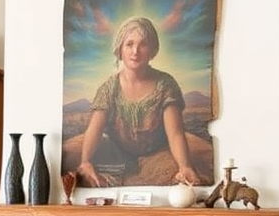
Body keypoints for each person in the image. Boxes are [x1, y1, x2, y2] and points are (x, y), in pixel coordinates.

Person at [64, 17, 212, 188]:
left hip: (158, 153)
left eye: (143, 44)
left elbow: (176, 134)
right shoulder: (109, 88)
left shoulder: (166, 84)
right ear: (120, 50)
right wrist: (86, 162)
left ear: (152, 50)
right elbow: (94, 130)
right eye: (129, 44)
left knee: (177, 178)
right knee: (85, 176)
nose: (135, 51)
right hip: (117, 152)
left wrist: (185, 166)